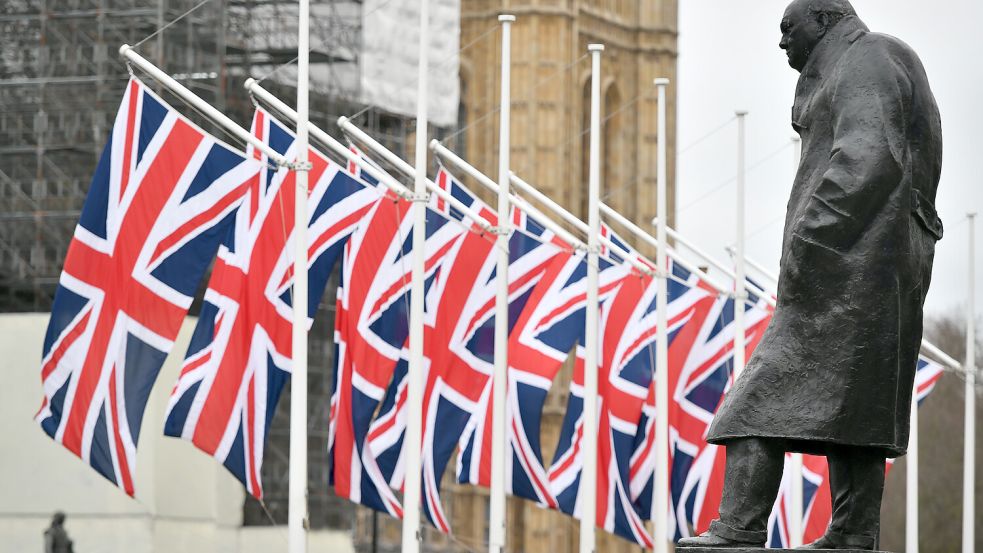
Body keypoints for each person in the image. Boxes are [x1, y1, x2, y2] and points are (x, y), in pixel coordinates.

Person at [678, 0, 942, 550]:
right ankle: (852, 532)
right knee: (859, 411)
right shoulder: (858, 63)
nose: (782, 44)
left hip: (849, 269)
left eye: (788, 29)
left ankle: (740, 529)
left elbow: (870, 158)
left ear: (824, 20)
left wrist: (810, 240)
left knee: (753, 404)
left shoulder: (867, 58)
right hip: (872, 268)